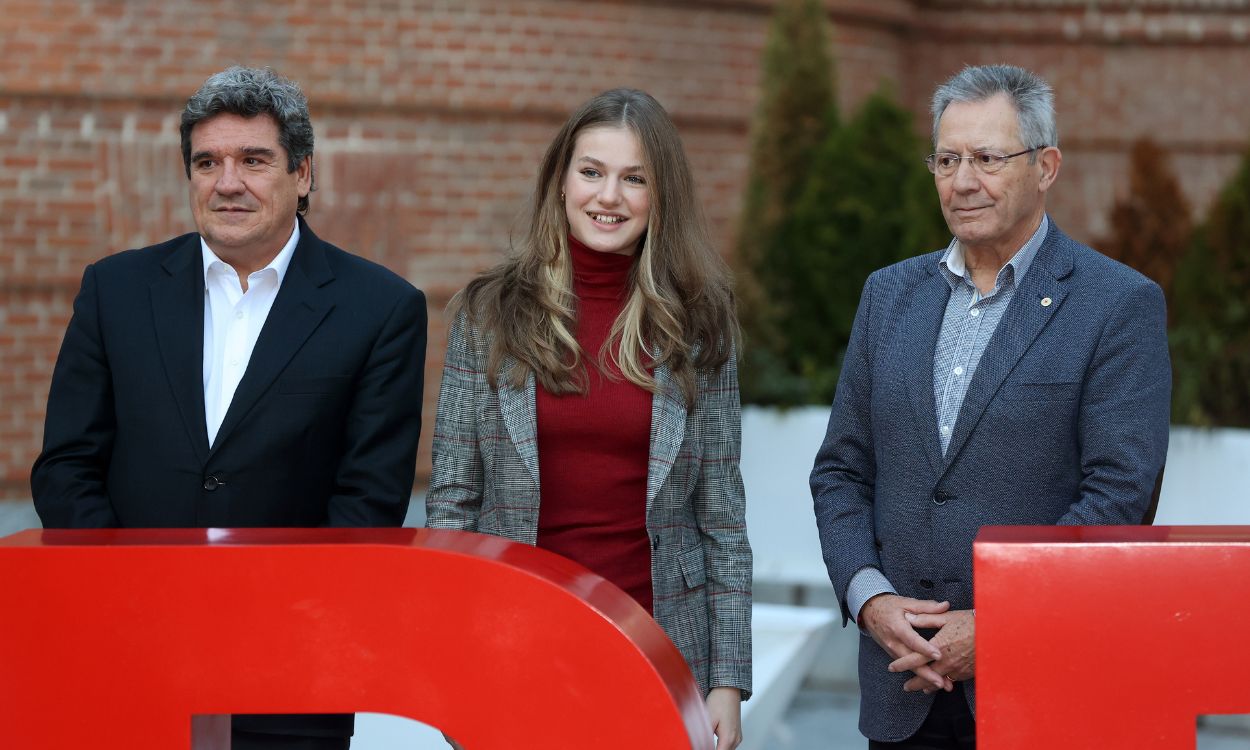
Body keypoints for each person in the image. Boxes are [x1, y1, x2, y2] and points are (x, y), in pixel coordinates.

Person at [32, 66, 427, 750]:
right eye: (207, 162)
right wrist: (131, 593)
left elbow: (366, 504)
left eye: (254, 160)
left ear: (302, 174)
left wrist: (267, 622)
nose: (228, 182)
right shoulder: (114, 290)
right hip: (126, 656)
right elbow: (65, 467)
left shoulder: (380, 309)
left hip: (289, 670)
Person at [810, 64, 1171, 748]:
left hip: (1042, 694)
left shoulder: (1116, 305)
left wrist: (1002, 623)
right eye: (947, 159)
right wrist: (868, 598)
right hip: (901, 685)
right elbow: (842, 473)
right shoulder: (888, 297)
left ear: (1047, 166)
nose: (963, 180)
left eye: (987, 158)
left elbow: (1120, 495)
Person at [425, 88, 751, 750]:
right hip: (515, 644)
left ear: (662, 197)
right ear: (562, 179)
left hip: (659, 646)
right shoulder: (491, 314)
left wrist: (727, 681)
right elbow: (452, 505)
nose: (609, 196)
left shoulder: (701, 322)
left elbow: (721, 517)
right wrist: (451, 661)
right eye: (592, 172)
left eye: (635, 179)